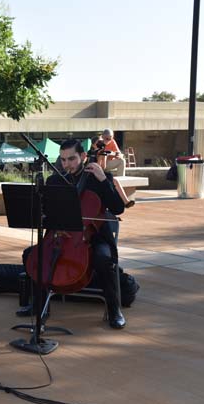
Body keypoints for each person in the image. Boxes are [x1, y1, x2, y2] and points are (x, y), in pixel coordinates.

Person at [23, 139, 127, 329]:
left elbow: (118, 208)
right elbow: (46, 211)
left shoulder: (99, 179)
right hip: (59, 236)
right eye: (62, 160)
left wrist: (104, 180)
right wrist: (54, 221)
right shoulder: (55, 180)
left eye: (71, 159)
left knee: (104, 258)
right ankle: (38, 305)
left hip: (92, 238)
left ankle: (114, 309)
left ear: (84, 157)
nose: (66, 164)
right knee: (32, 255)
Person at [90, 136, 134, 208]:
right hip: (93, 176)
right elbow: (96, 168)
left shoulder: (102, 152)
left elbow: (103, 167)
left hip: (100, 175)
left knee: (115, 181)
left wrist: (103, 156)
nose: (100, 143)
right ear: (93, 145)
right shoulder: (91, 153)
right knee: (112, 182)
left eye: (101, 142)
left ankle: (126, 202)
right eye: (98, 142)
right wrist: (100, 156)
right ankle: (121, 202)